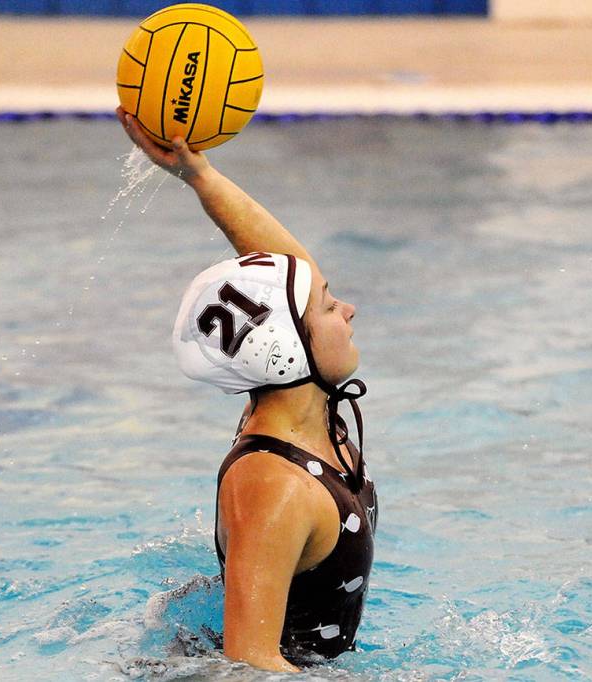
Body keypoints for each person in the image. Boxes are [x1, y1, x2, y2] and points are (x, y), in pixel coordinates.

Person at [117, 107, 377, 673]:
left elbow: (295, 272)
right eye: (332, 307)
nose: (349, 309)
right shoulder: (274, 485)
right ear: (289, 351)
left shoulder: (303, 410)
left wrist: (200, 177)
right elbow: (250, 666)